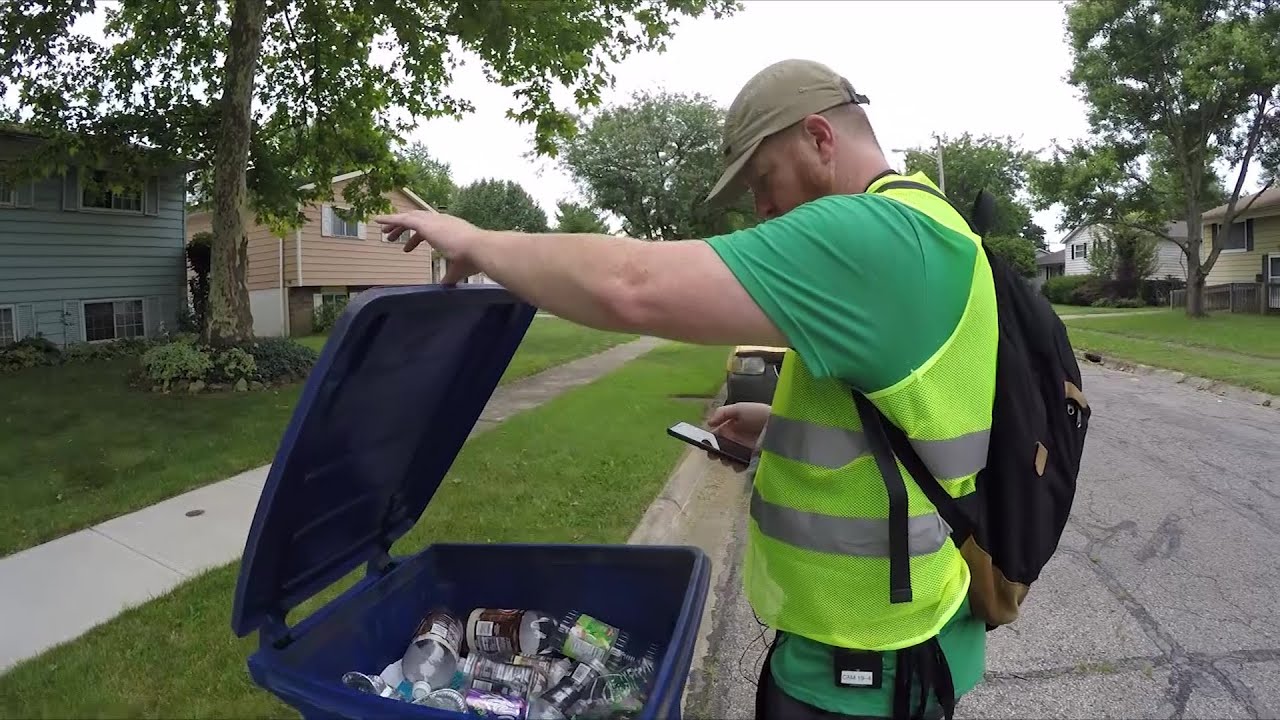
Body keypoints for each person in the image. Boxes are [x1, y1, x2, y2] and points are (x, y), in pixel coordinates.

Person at [376, 58, 994, 720]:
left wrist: (476, 239)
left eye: (764, 179)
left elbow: (633, 286)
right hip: (893, 631)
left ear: (820, 139)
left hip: (864, 671)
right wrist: (778, 427)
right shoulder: (929, 222)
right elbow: (906, 417)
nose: (761, 208)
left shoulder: (875, 237)